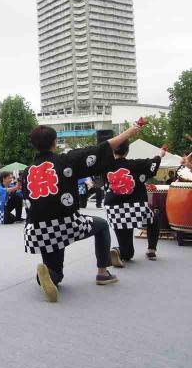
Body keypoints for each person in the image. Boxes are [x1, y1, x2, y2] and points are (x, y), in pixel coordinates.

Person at [22, 124, 141, 303]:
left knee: (56, 271)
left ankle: (45, 276)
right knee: (101, 225)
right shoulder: (65, 161)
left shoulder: (27, 172)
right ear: (55, 142)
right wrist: (129, 133)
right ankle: (102, 273)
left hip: (38, 231)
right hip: (67, 224)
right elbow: (99, 150)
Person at [103, 140, 163, 265]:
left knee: (128, 253)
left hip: (113, 210)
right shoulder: (135, 164)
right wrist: (160, 155)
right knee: (154, 218)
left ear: (114, 150)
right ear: (127, 151)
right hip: (135, 208)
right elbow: (152, 164)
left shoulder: (106, 166)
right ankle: (151, 249)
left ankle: (118, 251)